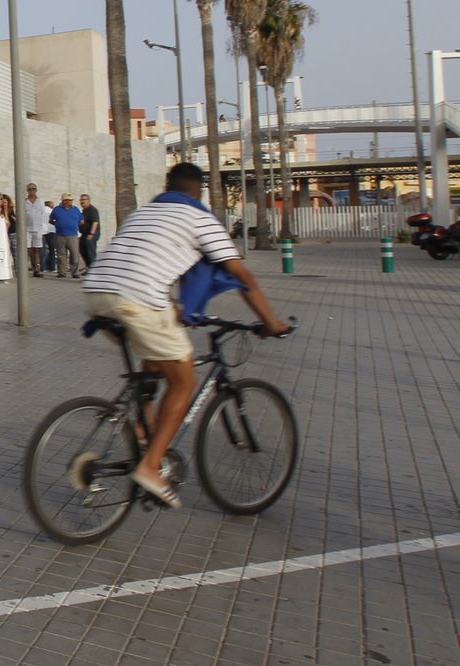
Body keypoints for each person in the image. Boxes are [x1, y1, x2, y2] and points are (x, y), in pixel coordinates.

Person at [83, 162, 289, 508]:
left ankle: (142, 437)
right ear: (199, 191)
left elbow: (147, 259)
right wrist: (271, 322)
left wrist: (175, 307)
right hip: (138, 299)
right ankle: (149, 467)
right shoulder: (200, 218)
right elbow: (241, 276)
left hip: (96, 293)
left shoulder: (145, 212)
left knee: (151, 366)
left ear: (168, 185)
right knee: (183, 382)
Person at [50, 193, 85, 278]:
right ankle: (62, 272)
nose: (70, 202)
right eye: (68, 200)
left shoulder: (76, 209)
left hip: (72, 235)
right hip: (60, 235)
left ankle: (75, 272)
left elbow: (82, 221)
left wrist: (74, 226)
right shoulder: (57, 209)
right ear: (63, 201)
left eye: (70, 200)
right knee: (61, 255)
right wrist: (58, 224)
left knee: (74, 254)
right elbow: (51, 220)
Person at [22, 183, 47, 278]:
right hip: (27, 228)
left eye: (33, 189)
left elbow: (42, 213)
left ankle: (36, 269)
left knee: (37, 249)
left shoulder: (40, 201)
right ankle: (24, 269)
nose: (32, 191)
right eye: (30, 189)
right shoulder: (24, 201)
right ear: (27, 190)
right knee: (27, 249)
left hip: (38, 228)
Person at [79, 193, 102, 270]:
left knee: (90, 249)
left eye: (83, 200)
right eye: (81, 200)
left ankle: (93, 268)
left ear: (89, 200)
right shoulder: (84, 211)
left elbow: (95, 222)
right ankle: (89, 266)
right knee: (81, 247)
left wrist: (91, 233)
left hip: (92, 233)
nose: (82, 201)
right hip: (84, 233)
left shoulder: (92, 210)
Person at [42, 200, 58, 274]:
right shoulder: (52, 211)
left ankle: (43, 268)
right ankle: (52, 267)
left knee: (42, 251)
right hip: (51, 231)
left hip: (42, 231)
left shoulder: (41, 210)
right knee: (52, 250)